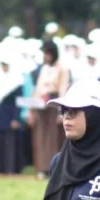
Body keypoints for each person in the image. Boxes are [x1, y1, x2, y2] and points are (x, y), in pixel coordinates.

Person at [30, 41, 70, 177]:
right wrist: (33, 106)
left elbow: (63, 88)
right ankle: (42, 167)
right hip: (42, 105)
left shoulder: (62, 68)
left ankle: (54, 167)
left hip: (54, 104)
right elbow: (38, 87)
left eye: (47, 53)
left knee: (53, 138)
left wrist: (62, 111)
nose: (45, 56)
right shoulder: (44, 68)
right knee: (41, 137)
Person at [0, 53, 28, 175]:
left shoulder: (17, 81)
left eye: (6, 65)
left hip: (10, 116)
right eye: (2, 65)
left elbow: (19, 102)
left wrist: (16, 118)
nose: (4, 67)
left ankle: (10, 169)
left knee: (10, 143)